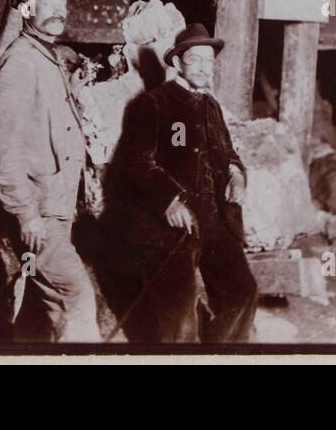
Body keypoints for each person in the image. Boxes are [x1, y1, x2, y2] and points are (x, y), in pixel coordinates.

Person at [106, 23, 258, 343]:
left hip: (214, 218)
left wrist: (236, 175)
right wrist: (170, 201)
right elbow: (138, 164)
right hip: (169, 227)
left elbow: (228, 152)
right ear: (177, 63)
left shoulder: (211, 106)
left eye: (209, 61)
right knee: (178, 313)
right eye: (195, 60)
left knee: (241, 291)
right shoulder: (154, 103)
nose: (205, 68)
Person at [0, 0, 99, 342]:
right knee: (74, 291)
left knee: (40, 296)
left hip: (54, 205)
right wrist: (25, 212)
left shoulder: (45, 57)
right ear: (27, 10)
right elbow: (0, 147)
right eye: (47, 5)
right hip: (37, 211)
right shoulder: (20, 63)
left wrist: (73, 92)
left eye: (61, 4)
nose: (57, 12)